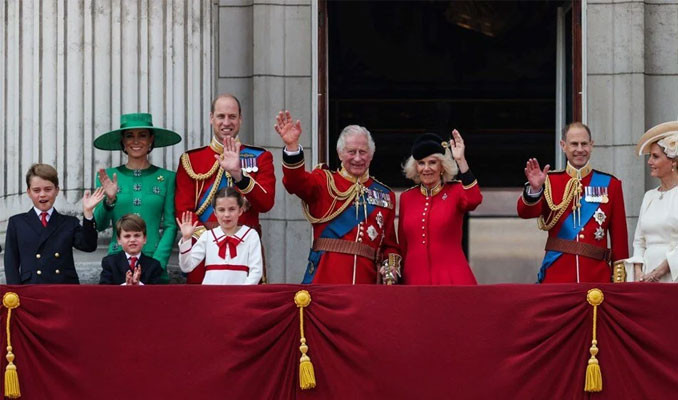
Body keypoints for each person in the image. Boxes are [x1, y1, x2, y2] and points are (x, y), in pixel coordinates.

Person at [275, 110, 401, 284]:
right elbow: (295, 182)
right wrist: (292, 147)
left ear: (371, 155)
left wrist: (390, 268)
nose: (357, 158)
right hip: (326, 279)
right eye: (351, 152)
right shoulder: (324, 181)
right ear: (340, 153)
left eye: (363, 152)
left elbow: (389, 245)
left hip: (367, 283)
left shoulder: (385, 195)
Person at [175, 94, 275, 284]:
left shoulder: (260, 157)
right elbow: (183, 210)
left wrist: (239, 176)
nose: (226, 122)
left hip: (246, 247)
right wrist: (212, 240)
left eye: (232, 116)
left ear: (240, 119)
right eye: (221, 116)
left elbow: (266, 203)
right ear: (211, 118)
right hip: (204, 251)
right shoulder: (191, 160)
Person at [517, 122, 629, 283]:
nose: (580, 149)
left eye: (584, 144)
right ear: (563, 146)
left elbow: (620, 238)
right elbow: (525, 212)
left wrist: (619, 279)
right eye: (574, 144)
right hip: (557, 276)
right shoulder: (549, 182)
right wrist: (535, 190)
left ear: (591, 145)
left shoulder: (611, 184)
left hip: (597, 278)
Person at [93, 113, 180, 283]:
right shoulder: (108, 176)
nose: (136, 141)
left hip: (154, 261)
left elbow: (171, 225)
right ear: (123, 142)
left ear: (151, 140)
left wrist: (158, 262)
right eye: (129, 136)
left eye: (142, 135)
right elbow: (99, 224)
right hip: (117, 263)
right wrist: (109, 200)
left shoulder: (167, 177)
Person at [399, 131, 482, 285]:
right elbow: (403, 245)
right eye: (421, 163)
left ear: (442, 166)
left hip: (452, 278)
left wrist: (461, 160)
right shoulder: (406, 198)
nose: (426, 168)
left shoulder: (455, 191)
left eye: (432, 162)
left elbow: (474, 200)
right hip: (414, 279)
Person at [4, 163, 105, 284]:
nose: (42, 194)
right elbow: (11, 262)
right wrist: (14, 294)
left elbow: (89, 246)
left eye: (48, 189)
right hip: (32, 288)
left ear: (57, 190)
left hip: (63, 288)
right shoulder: (17, 222)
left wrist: (88, 212)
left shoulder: (69, 222)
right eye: (36, 190)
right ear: (29, 192)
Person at [624, 121, 678, 283]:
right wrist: (639, 271)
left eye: (655, 157)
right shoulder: (649, 196)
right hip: (647, 277)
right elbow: (639, 240)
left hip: (673, 275)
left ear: (673, 162)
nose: (649, 162)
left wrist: (659, 272)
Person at [177, 187, 263, 285]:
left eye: (232, 209)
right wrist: (186, 239)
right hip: (211, 295)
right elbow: (186, 267)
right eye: (221, 210)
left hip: (239, 295)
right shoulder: (208, 236)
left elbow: (256, 272)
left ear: (240, 211)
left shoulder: (251, 235)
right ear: (215, 212)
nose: (226, 214)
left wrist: (242, 293)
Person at [99, 214, 164, 285]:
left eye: (137, 235)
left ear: (144, 239)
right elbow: (104, 290)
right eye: (127, 236)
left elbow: (156, 292)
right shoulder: (109, 262)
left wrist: (138, 284)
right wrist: (126, 285)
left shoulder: (154, 265)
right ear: (119, 240)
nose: (132, 240)